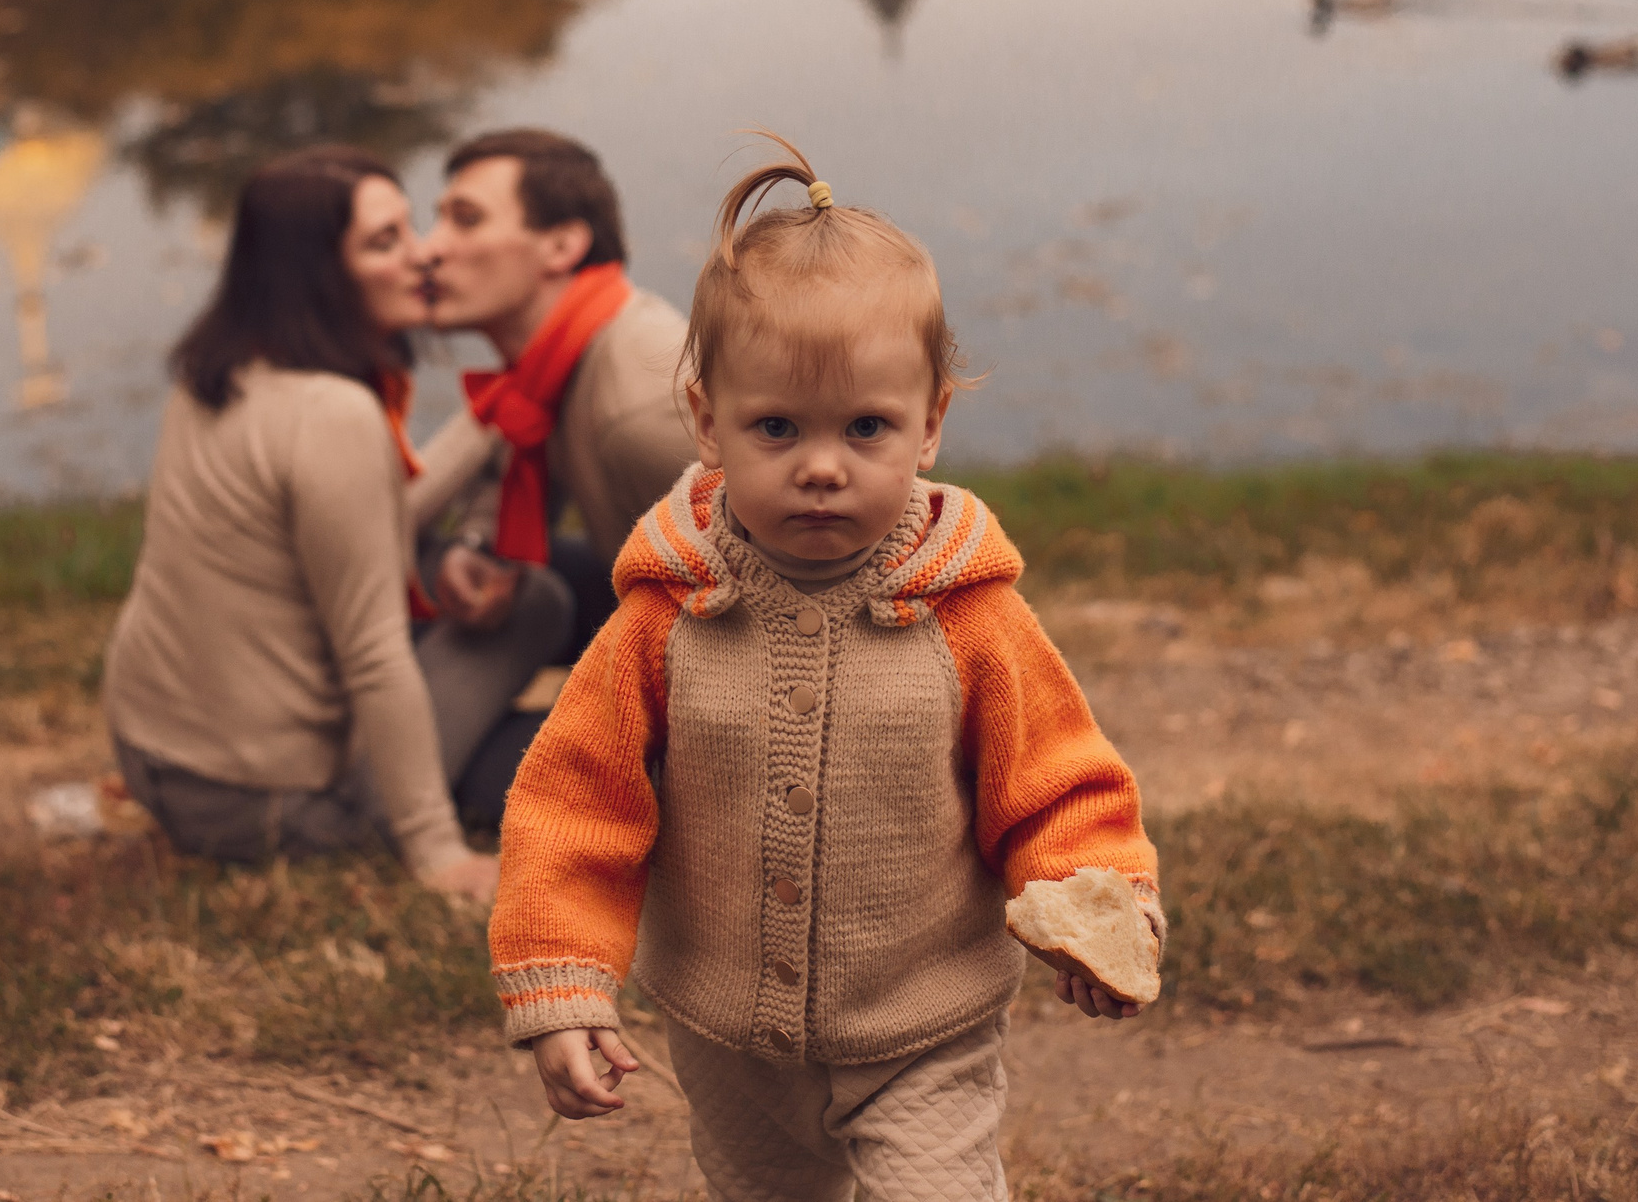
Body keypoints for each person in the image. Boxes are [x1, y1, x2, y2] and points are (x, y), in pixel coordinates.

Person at [486, 134, 1163, 1201]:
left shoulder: (969, 617)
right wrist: (563, 982)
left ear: (930, 421)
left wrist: (1095, 898)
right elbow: (578, 802)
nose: (819, 463)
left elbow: (1055, 781)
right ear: (706, 421)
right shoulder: (664, 620)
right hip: (726, 1032)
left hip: (921, 1023)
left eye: (865, 426)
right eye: (774, 426)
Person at [100, 147, 499, 906]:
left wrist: (488, 420)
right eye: (385, 242)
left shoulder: (221, 370)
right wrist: (439, 851)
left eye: (408, 226)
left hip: (151, 750)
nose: (422, 254)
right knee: (535, 609)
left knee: (490, 629)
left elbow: (356, 532)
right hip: (256, 801)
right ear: (316, 273)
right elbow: (375, 650)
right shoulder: (333, 413)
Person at [410, 131, 701, 747]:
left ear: (563, 245)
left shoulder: (645, 415)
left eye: (466, 221)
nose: (428, 250)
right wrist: (477, 544)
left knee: (495, 767)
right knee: (438, 566)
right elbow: (512, 461)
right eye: (437, 220)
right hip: (654, 609)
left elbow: (786, 598)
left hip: (726, 689)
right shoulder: (549, 367)